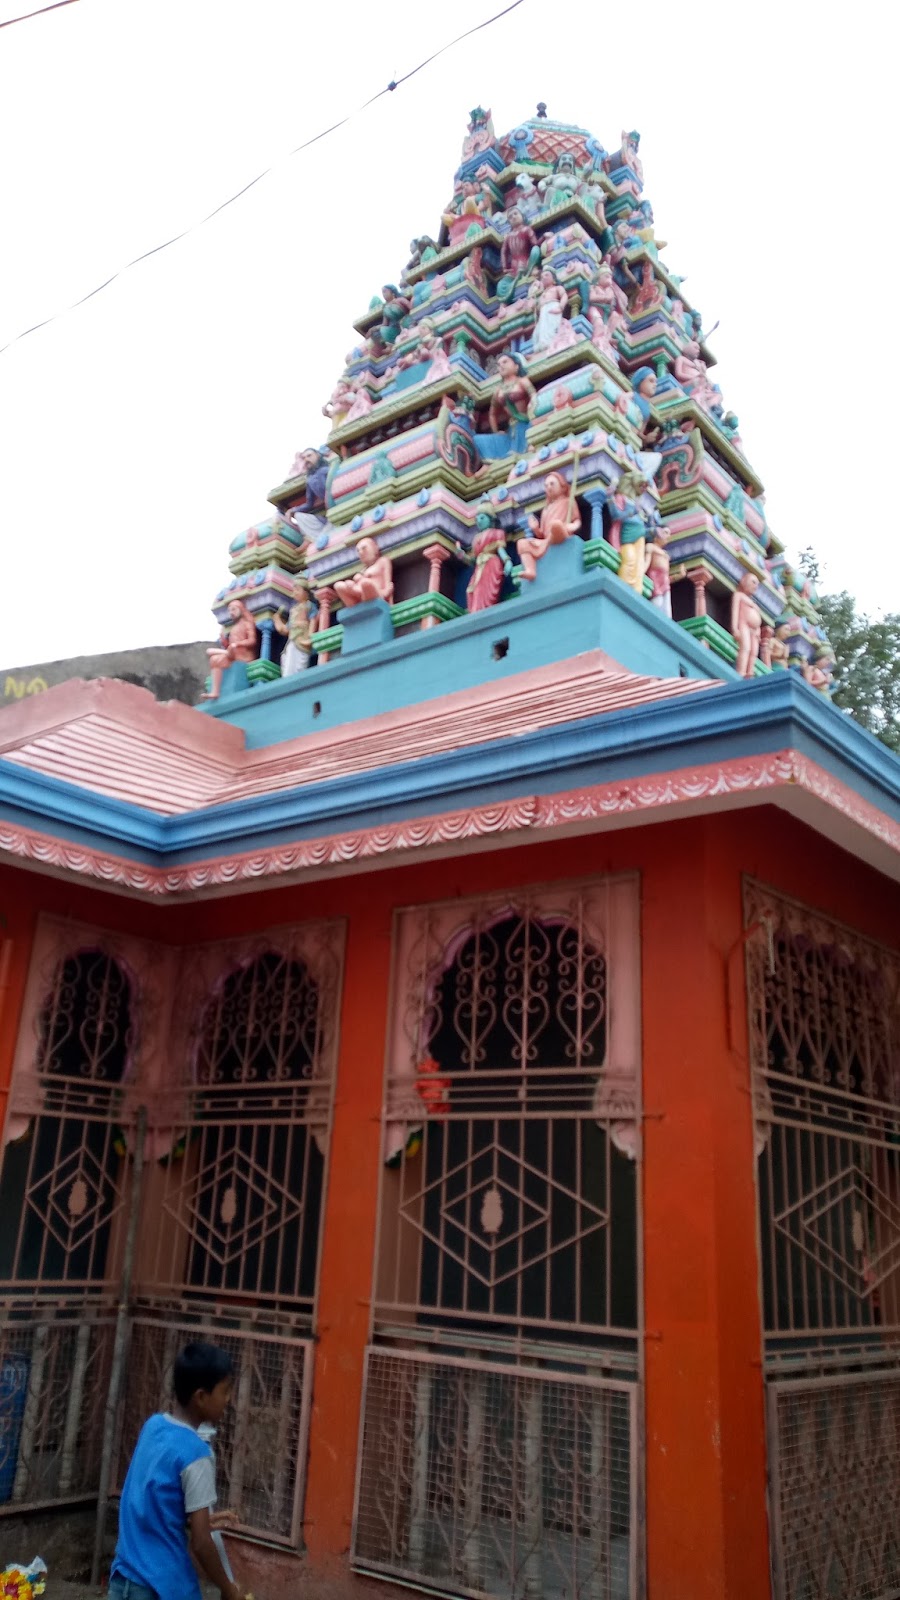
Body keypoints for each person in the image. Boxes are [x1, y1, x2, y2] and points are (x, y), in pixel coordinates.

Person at [109, 1342, 246, 1600]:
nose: (228, 1399)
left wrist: (200, 1519)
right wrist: (228, 1589)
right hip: (164, 1587)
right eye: (225, 1391)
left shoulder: (153, 1427)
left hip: (123, 1579)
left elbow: (152, 1503)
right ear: (201, 1397)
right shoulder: (197, 1454)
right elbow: (201, 1543)